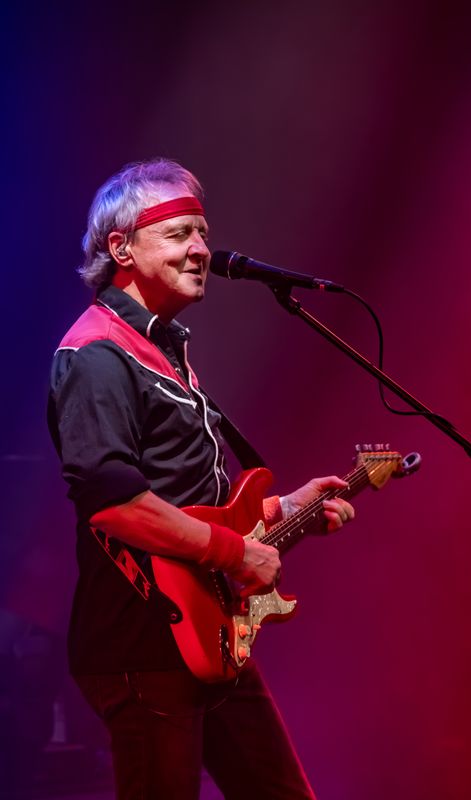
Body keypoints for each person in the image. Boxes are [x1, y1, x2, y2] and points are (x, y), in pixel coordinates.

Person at [48, 158, 355, 800]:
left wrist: (281, 510)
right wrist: (236, 551)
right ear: (121, 247)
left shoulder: (160, 350)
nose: (202, 250)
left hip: (207, 631)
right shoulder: (97, 356)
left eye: (203, 233)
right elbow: (114, 505)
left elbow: (194, 500)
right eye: (181, 233)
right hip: (144, 639)